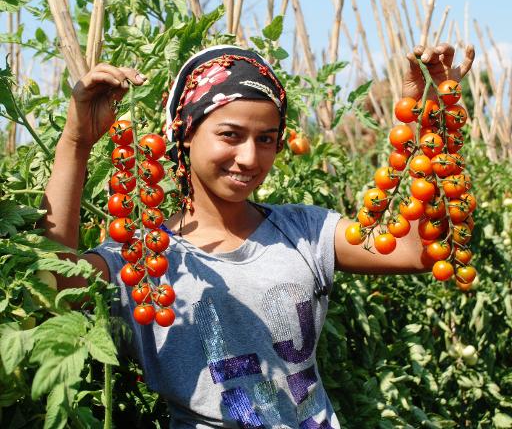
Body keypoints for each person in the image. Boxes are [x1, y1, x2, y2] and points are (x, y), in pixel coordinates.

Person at [40, 43, 474, 428]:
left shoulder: (302, 230)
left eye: (266, 139)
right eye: (230, 135)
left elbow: (417, 251)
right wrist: (76, 142)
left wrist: (426, 117)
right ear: (185, 133)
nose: (249, 157)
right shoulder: (140, 257)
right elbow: (55, 281)